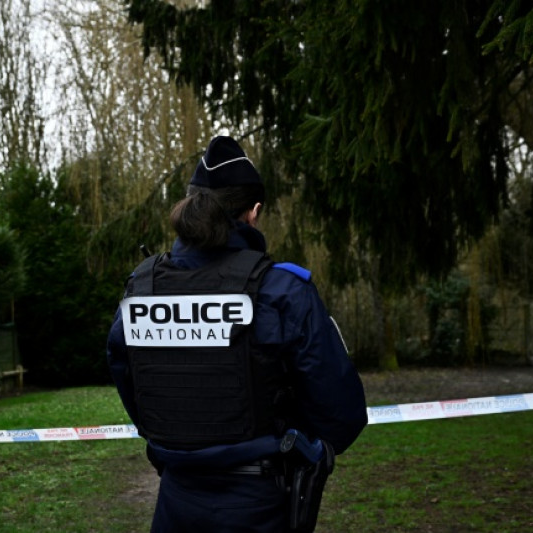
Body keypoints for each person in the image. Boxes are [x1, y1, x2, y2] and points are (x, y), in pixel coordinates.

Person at [106, 136, 368, 532]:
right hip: (259, 504)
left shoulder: (142, 290)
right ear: (254, 213)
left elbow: (130, 382)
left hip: (174, 502)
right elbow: (341, 411)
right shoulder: (283, 291)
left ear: (192, 206)